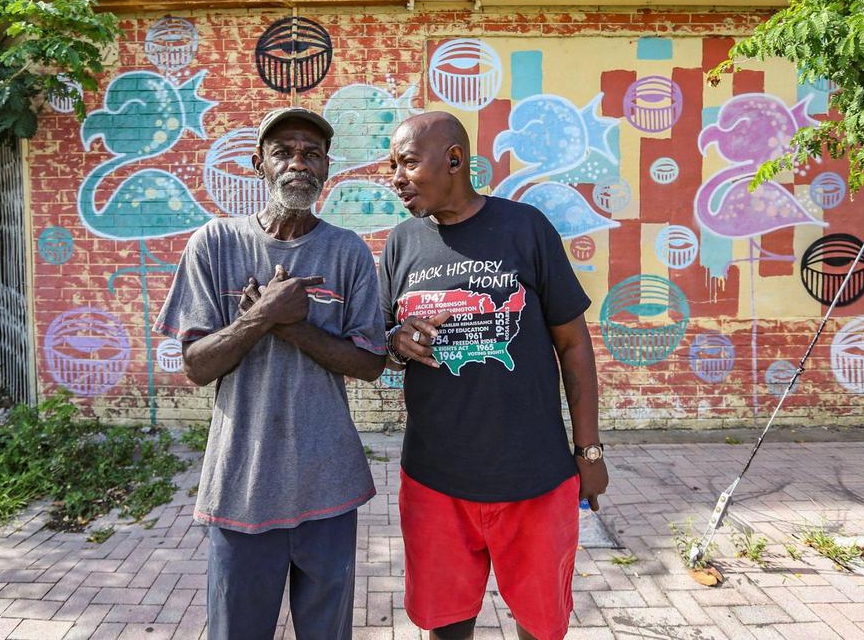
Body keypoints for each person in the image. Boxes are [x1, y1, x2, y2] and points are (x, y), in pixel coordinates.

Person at [153, 106, 386, 640]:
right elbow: (196, 366)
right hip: (241, 484)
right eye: (283, 152)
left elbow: (371, 364)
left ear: (327, 168)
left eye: (311, 154)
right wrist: (260, 317)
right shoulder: (214, 243)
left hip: (329, 483)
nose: (297, 163)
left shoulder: (347, 251)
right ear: (259, 164)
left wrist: (293, 325)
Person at [378, 111, 608, 640]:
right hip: (435, 480)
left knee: (540, 625)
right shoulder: (402, 242)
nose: (395, 177)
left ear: (454, 159)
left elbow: (573, 345)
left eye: (408, 163)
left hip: (535, 478)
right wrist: (396, 343)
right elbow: (382, 346)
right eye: (393, 165)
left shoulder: (525, 228)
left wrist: (589, 452)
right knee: (446, 627)